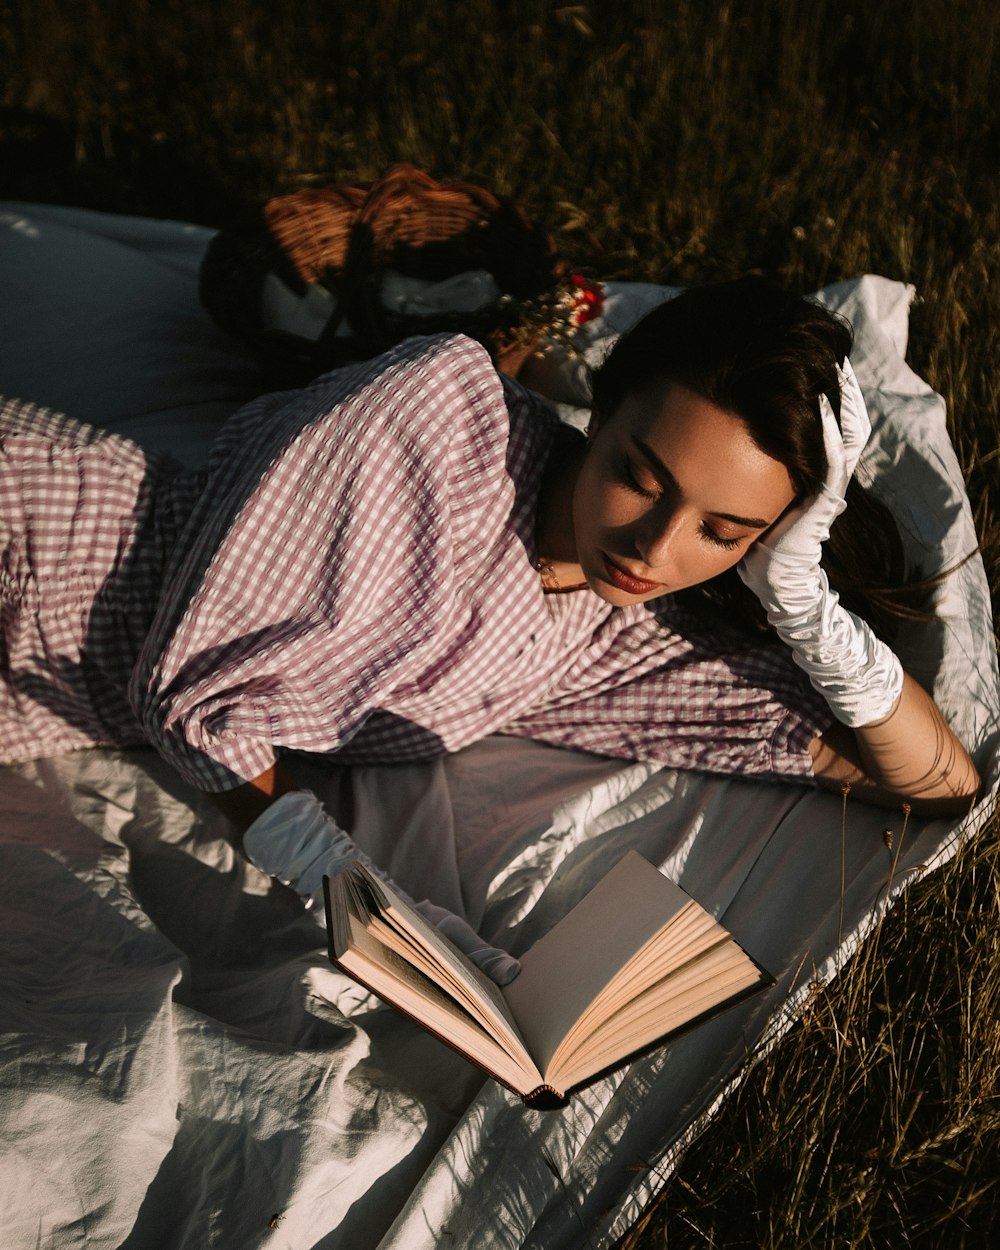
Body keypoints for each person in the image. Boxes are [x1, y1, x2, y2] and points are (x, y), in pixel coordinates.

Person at [0, 279, 979, 979]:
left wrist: (801, 600)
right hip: (34, 528)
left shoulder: (615, 636)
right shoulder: (447, 418)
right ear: (599, 415)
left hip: (35, 696)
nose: (654, 542)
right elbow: (197, 698)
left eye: (721, 532)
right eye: (641, 474)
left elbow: (936, 783)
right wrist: (373, 907)